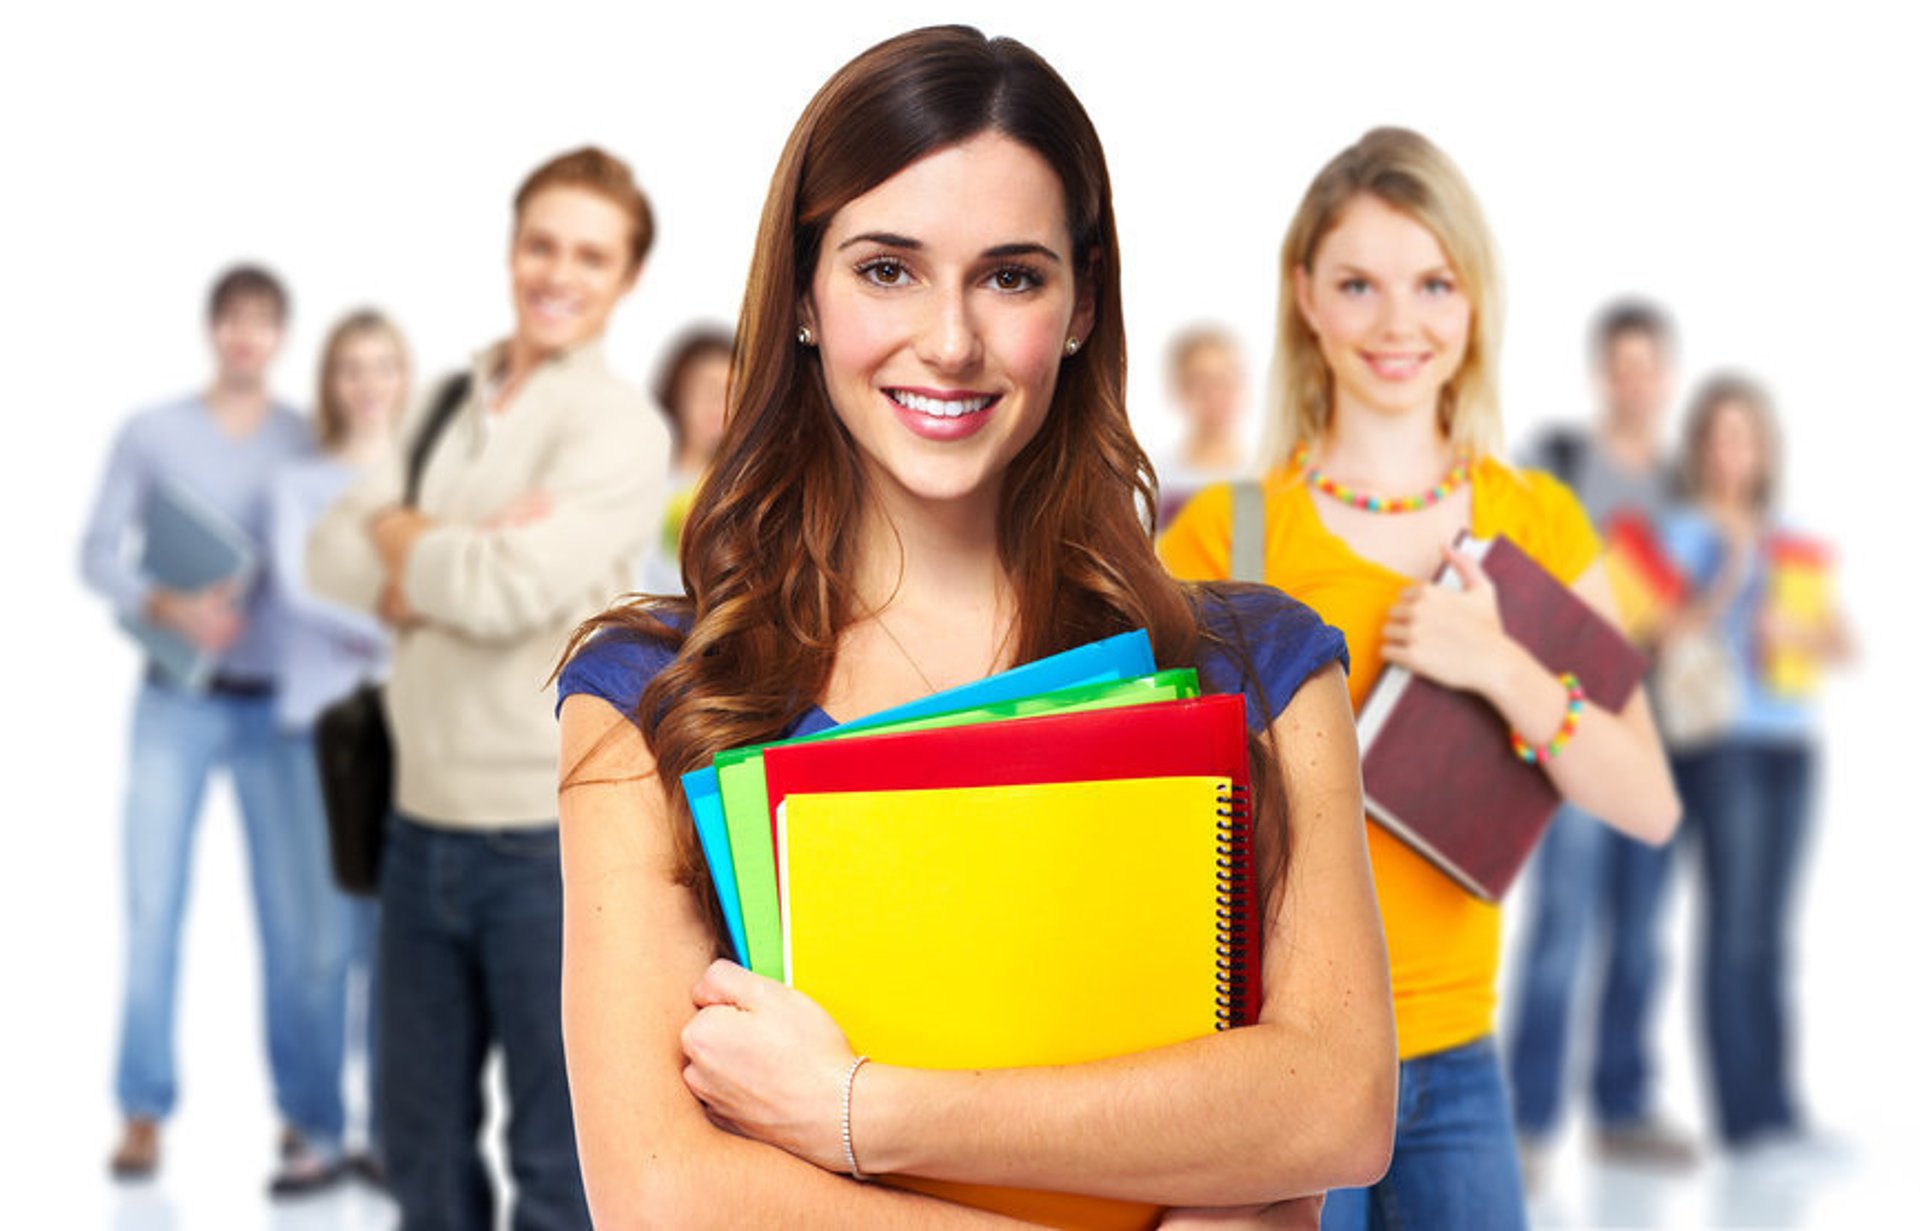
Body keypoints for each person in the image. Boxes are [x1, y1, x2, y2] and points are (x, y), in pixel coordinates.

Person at [554, 25, 1396, 1228]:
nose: (949, 340)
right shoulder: (649, 696)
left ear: (1081, 306)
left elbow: (1335, 1109)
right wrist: (1196, 1163)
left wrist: (856, 1107)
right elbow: (661, 1193)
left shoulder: (1255, 669)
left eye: (1011, 275)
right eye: (887, 268)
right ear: (803, 294)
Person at [1159, 127, 1682, 1230]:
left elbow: (1647, 798)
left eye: (1434, 282)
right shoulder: (1227, 537)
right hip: (1280, 1063)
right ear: (1305, 295)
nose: (1401, 325)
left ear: (1475, 298)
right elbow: (1143, 815)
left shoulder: (1531, 520)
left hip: (1455, 1064)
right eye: (1359, 284)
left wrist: (1497, 664)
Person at [306, 147, 670, 1229]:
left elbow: (512, 589)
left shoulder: (619, 428)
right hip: (417, 829)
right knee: (419, 1151)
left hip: (546, 846)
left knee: (560, 1171)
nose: (559, 272)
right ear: (513, 248)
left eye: (591, 255)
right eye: (543, 244)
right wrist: (445, 553)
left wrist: (411, 544)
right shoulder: (443, 401)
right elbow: (330, 553)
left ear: (627, 279)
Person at [81, 264, 350, 1189]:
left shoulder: (305, 438)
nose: (246, 336)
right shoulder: (152, 433)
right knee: (153, 906)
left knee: (298, 924)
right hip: (176, 696)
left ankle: (311, 1118)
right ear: (212, 329)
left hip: (277, 709)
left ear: (279, 337)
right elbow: (95, 550)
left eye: (263, 323)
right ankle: (141, 1109)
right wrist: (166, 599)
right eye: (232, 320)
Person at [1504, 300, 1698, 1180]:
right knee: (1564, 925)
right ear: (1603, 373)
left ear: (1665, 379)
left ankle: (1622, 1107)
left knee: (1644, 930)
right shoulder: (1562, 467)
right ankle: (1531, 1123)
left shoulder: (1685, 489)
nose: (1634, 381)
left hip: (1655, 734)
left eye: (1647, 366)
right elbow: (1511, 575)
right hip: (1575, 730)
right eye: (1621, 365)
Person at [1659, 375, 1852, 1153]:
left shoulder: (1791, 536)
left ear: (1764, 449)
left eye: (1746, 436)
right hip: (1724, 745)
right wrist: (1733, 572)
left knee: (1771, 935)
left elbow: (1841, 643)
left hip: (1790, 742)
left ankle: (1778, 1113)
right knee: (1735, 931)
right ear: (1702, 447)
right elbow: (1664, 634)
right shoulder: (1679, 532)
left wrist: (1795, 630)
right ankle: (1745, 1123)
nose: (1732, 450)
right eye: (1720, 435)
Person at [265, 308, 413, 1191]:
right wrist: (383, 611)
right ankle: (315, 1127)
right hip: (320, 729)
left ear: (403, 378)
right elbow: (298, 584)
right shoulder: (301, 483)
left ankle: (392, 1132)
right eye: (350, 368)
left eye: (382, 366)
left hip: (410, 729)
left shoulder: (430, 479)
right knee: (316, 943)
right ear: (331, 383)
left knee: (396, 946)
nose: (366, 384)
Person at [638, 325, 733, 595]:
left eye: (731, 391)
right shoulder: (642, 478)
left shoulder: (742, 490)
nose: (719, 403)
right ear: (678, 391)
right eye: (708, 389)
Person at [1155, 325, 1253, 526]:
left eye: (1225, 380)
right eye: (1203, 381)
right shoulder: (1157, 481)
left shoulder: (1268, 476)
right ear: (1180, 389)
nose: (1216, 394)